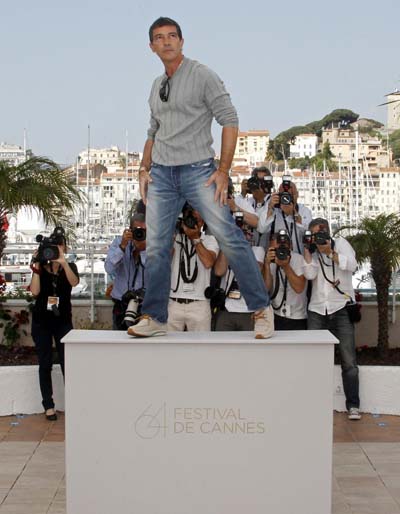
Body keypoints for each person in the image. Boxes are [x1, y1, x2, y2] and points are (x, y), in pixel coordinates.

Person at [128, 16, 273, 339]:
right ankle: (154, 317)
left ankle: (262, 309)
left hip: (198, 171)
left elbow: (229, 119)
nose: (166, 42)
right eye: (159, 38)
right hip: (162, 175)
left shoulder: (202, 75)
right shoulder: (156, 85)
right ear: (151, 47)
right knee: (155, 247)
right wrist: (143, 167)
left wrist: (223, 171)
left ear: (181, 42)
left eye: (172, 36)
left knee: (229, 238)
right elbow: (153, 130)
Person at [303, 218, 361, 420]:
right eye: (314, 234)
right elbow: (309, 276)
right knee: (313, 360)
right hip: (318, 309)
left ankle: (353, 405)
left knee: (349, 360)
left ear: (327, 231)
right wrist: (308, 254)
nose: (318, 238)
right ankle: (313, 402)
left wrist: (331, 253)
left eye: (321, 233)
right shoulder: (312, 250)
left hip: (342, 307)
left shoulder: (342, 244)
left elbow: (353, 265)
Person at [30, 227, 79, 421]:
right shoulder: (41, 268)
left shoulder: (71, 267)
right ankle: (48, 405)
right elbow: (34, 292)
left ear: (65, 249)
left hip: (63, 322)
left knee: (68, 363)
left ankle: (74, 403)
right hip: (42, 321)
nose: (57, 250)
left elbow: (74, 283)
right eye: (54, 247)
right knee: (45, 363)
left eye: (61, 246)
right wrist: (36, 265)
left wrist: (64, 263)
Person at [168, 204, 219, 331]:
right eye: (190, 218)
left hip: (199, 303)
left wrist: (195, 238)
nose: (192, 222)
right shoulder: (175, 239)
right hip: (174, 302)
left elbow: (208, 262)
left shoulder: (209, 240)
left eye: (197, 219)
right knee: (169, 348)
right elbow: (163, 259)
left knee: (201, 348)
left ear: (202, 223)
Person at [213, 218, 264, 331]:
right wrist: (227, 243)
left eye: (244, 232)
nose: (241, 235)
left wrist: (241, 246)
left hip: (248, 311)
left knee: (247, 348)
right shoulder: (227, 249)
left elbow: (253, 273)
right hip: (226, 309)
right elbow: (219, 271)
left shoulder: (257, 250)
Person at [104, 204, 146, 330]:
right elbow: (109, 268)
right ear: (129, 230)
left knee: (145, 345)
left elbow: (156, 271)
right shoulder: (119, 242)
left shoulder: (151, 245)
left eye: (144, 230)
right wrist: (122, 247)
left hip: (144, 304)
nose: (140, 233)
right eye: (137, 230)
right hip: (121, 303)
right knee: (118, 344)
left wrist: (143, 250)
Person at [263, 230, 307, 330]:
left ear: (290, 247)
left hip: (297, 316)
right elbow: (266, 289)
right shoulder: (270, 260)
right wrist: (266, 265)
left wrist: (286, 266)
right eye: (276, 249)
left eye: (283, 249)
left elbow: (299, 288)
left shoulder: (299, 259)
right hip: (276, 314)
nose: (280, 252)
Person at [257, 177, 312, 254]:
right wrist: (270, 208)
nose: (286, 198)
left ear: (297, 195)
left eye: (289, 195)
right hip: (276, 256)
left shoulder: (304, 211)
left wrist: (294, 214)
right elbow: (261, 229)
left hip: (299, 256)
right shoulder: (273, 209)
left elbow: (308, 232)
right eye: (283, 194)